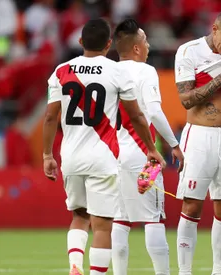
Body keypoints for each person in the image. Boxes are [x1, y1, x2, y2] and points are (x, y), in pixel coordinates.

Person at [42, 18, 164, 275]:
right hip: (104, 157)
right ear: (109, 44)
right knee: (103, 225)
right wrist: (151, 149)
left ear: (80, 42)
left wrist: (46, 155)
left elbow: (51, 117)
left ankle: (75, 265)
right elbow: (137, 116)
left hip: (71, 156)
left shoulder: (62, 71)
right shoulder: (116, 71)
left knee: (79, 216)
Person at [174, 8, 221, 275]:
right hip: (199, 135)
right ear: (215, 28)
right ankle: (185, 271)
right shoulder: (188, 52)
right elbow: (185, 99)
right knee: (192, 205)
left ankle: (220, 271)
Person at [111, 19, 184, 275]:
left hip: (112, 157)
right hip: (142, 155)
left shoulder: (110, 72)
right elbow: (153, 111)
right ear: (137, 48)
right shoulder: (146, 72)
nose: (149, 45)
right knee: (153, 218)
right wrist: (174, 144)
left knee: (119, 219)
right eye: (145, 40)